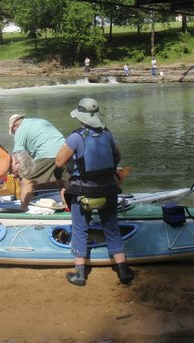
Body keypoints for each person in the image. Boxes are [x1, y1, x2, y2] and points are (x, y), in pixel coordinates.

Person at [55, 97, 133, 287]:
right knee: (111, 227)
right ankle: (123, 271)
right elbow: (118, 155)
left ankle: (80, 275)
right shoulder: (107, 133)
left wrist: (63, 177)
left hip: (83, 190)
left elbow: (59, 161)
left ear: (80, 117)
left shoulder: (76, 136)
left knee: (80, 229)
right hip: (108, 188)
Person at [8, 114, 68, 207]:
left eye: (13, 132)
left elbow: (18, 155)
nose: (15, 134)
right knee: (62, 181)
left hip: (48, 153)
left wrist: (20, 172)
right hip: (65, 150)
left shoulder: (21, 129)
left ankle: (23, 209)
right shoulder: (41, 121)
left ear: (15, 125)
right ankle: (68, 206)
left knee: (27, 181)